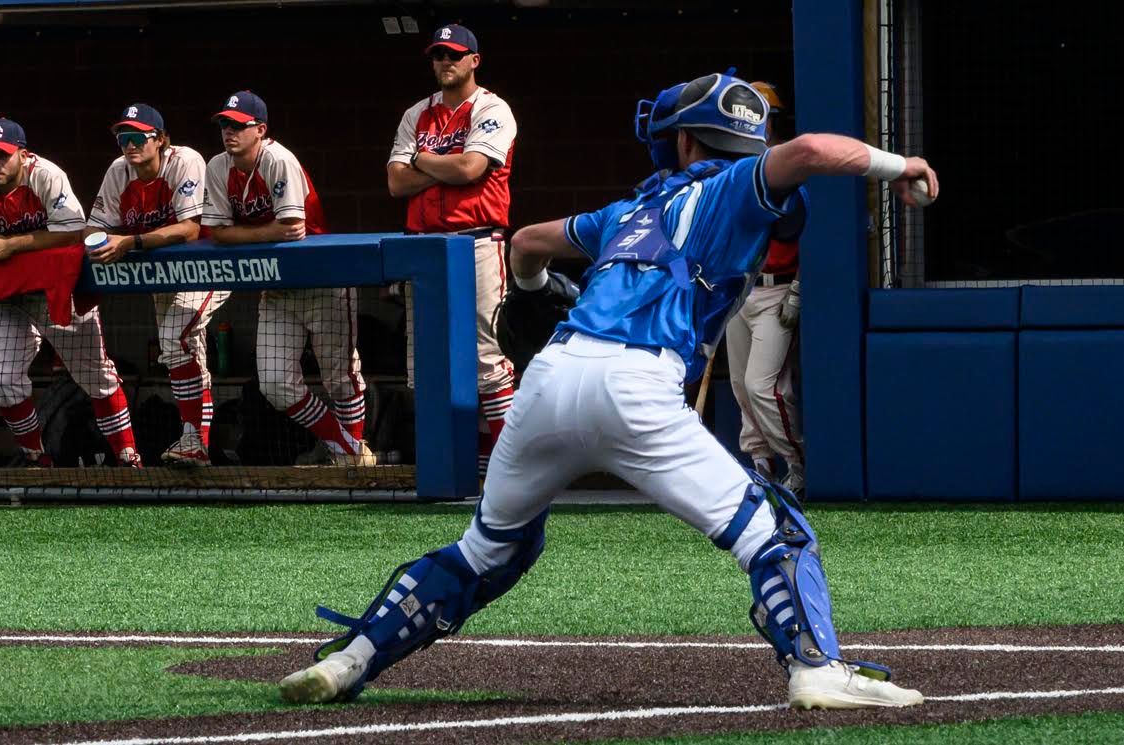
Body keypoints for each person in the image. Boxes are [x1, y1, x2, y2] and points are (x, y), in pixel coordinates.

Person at [280, 73, 938, 710]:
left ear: (684, 140)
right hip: (638, 387)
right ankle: (816, 668)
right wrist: (900, 164)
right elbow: (811, 150)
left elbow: (527, 243)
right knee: (775, 537)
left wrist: (535, 291)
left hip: (550, 378)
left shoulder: (628, 209)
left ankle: (351, 657)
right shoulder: (736, 186)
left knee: (485, 551)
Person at [202, 91, 373, 466]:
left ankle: (348, 459)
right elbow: (217, 232)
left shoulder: (278, 160)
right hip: (278, 287)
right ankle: (347, 448)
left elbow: (293, 228)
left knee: (340, 377)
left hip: (322, 279)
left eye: (238, 125)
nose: (229, 132)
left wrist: (243, 234)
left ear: (260, 130)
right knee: (275, 383)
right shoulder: (217, 167)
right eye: (224, 124)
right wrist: (266, 232)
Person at [387, 24, 517, 477]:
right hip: (424, 248)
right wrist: (445, 165)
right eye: (438, 55)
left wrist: (422, 160)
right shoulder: (416, 114)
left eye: (454, 55)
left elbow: (470, 169)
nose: (445, 61)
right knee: (426, 361)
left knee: (486, 357)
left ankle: (509, 462)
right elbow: (396, 182)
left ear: (474, 61)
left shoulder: (492, 108)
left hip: (476, 241)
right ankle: (458, 461)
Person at [0, 118, 142, 468]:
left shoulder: (47, 175)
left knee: (95, 377)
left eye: (3, 155)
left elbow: (73, 232)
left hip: (58, 292)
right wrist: (23, 250)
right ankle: (37, 458)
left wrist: (14, 245)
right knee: (2, 382)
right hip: (13, 298)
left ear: (23, 155)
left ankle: (128, 457)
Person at [84, 103, 222, 467]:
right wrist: (100, 242)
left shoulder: (185, 161)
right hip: (164, 275)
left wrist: (130, 242)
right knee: (183, 351)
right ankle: (197, 446)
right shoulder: (119, 170)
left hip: (205, 266)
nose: (129, 145)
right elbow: (93, 226)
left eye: (138, 137)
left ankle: (194, 440)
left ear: (160, 139)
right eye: (122, 138)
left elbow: (190, 229)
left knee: (175, 340)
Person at [725, 81, 805, 499]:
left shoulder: (788, 165)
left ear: (772, 120)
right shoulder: (731, 170)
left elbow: (811, 233)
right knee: (740, 386)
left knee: (764, 386)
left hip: (778, 290)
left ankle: (798, 466)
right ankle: (760, 464)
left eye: (761, 118)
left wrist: (800, 288)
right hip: (741, 289)